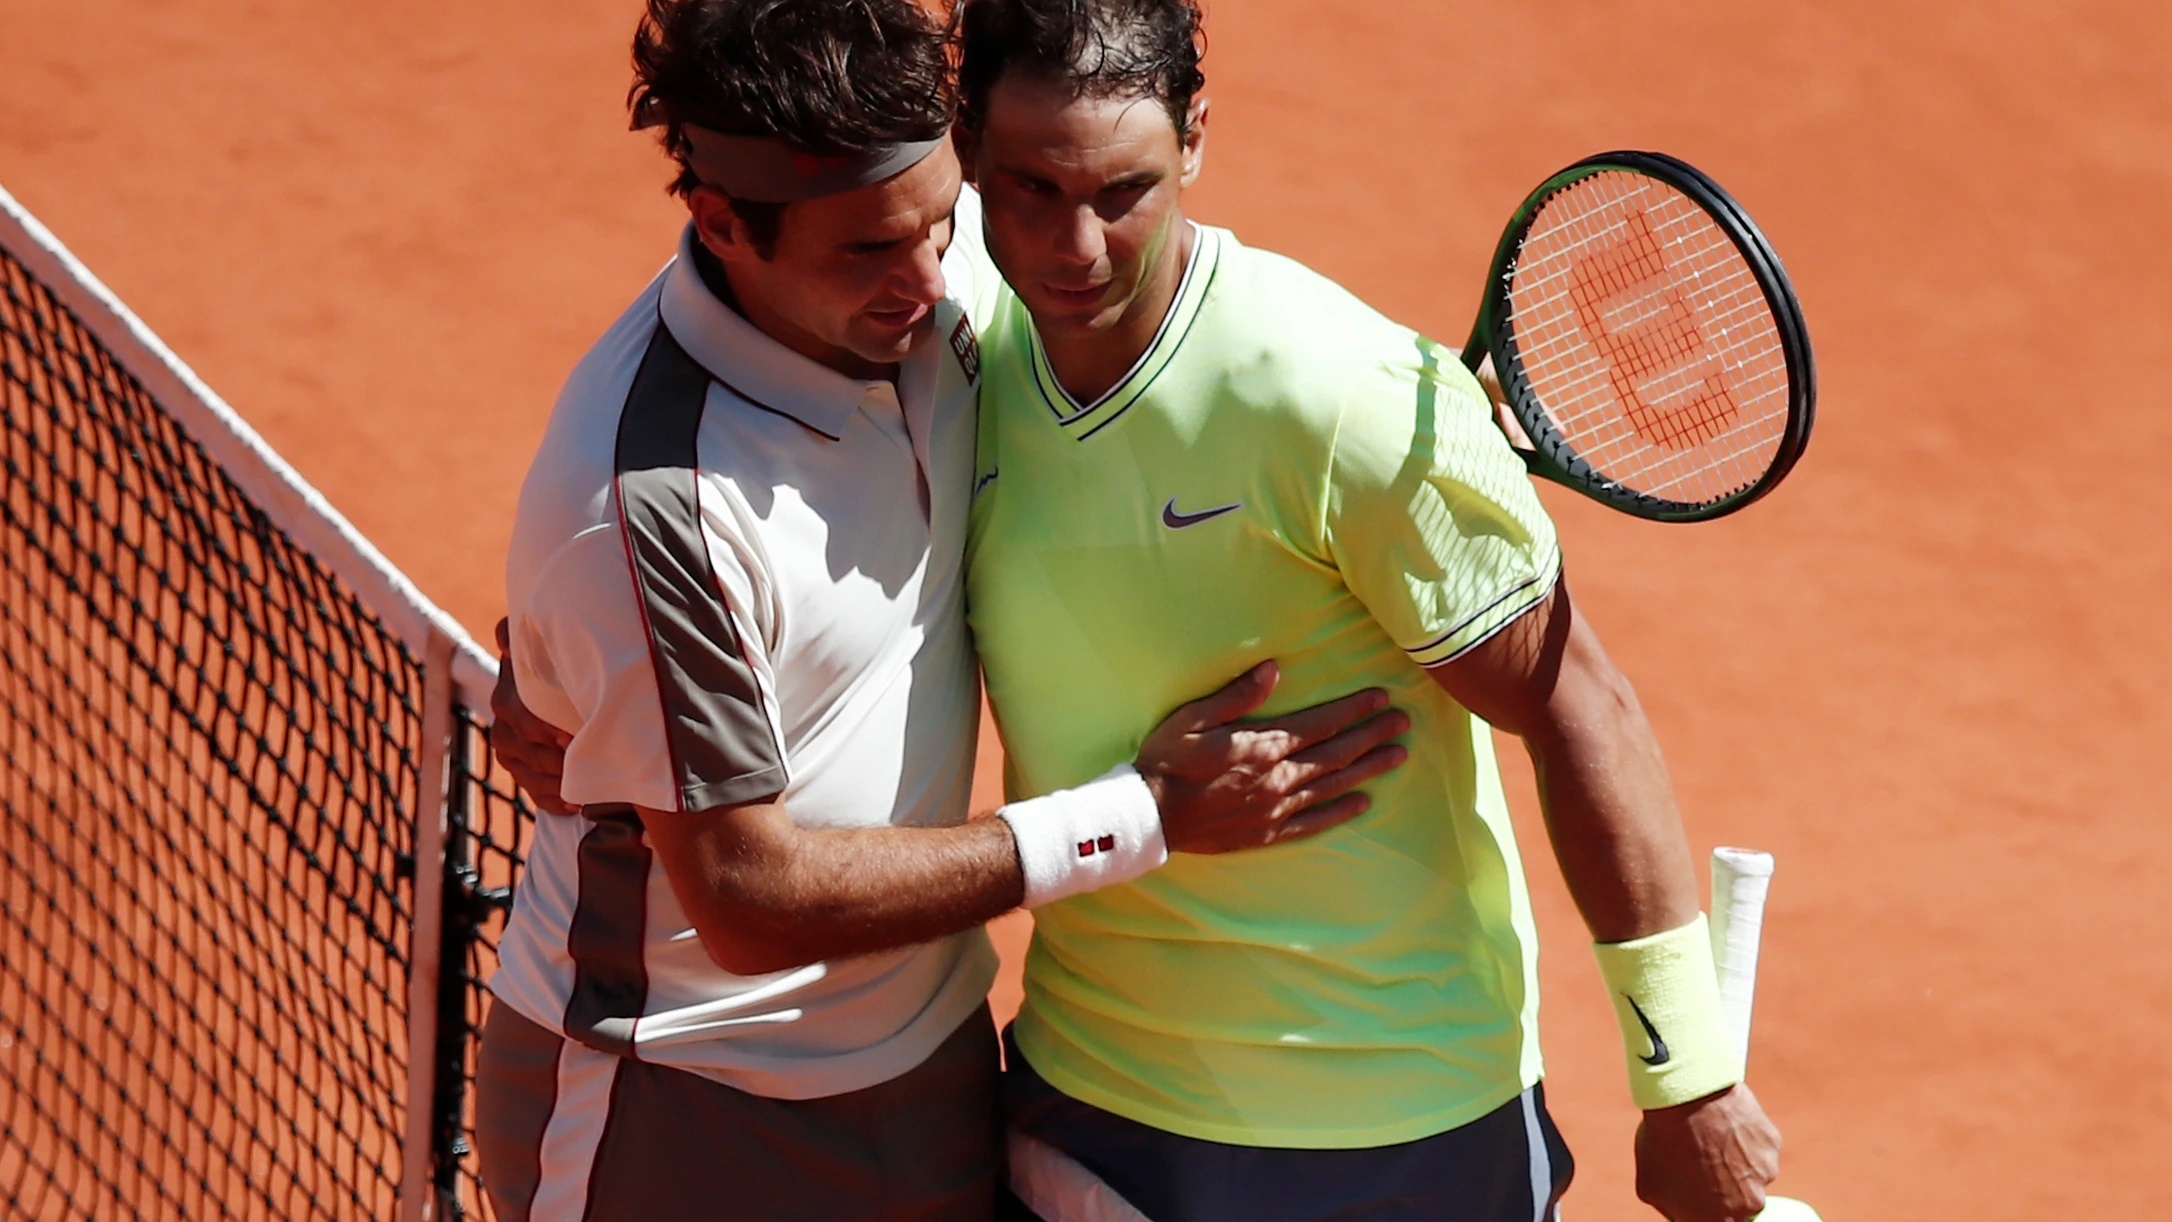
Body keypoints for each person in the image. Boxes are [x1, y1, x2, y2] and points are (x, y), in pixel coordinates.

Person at [474, 2, 1410, 1219]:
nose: (933, 282)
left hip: (933, 1066)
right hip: (683, 1100)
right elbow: (750, 902)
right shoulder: (657, 506)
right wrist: (1141, 816)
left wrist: (1408, 433)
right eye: (868, 249)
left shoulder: (944, 263)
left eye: (941, 217)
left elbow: (1185, 337)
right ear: (720, 226)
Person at [949, 2, 1783, 1220]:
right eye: (1029, 187)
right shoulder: (949, 334)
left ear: (1195, 140)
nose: (1075, 245)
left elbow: (1578, 704)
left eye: (1122, 192)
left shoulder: (1341, 397)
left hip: (1394, 1127)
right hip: (1096, 1091)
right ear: (963, 150)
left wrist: (1689, 1080)